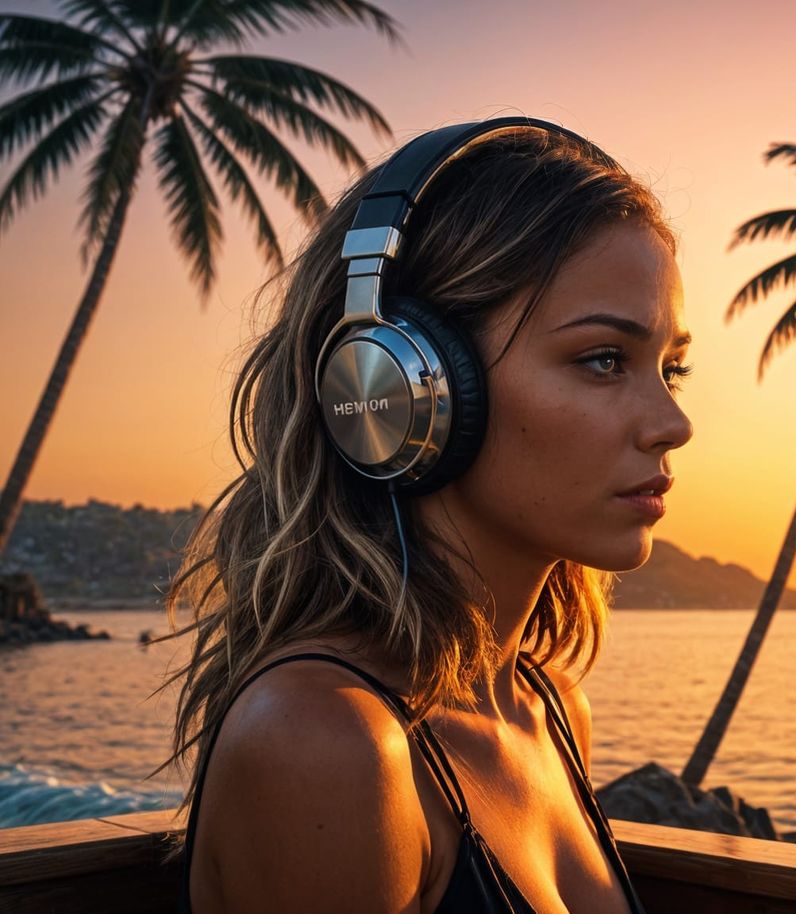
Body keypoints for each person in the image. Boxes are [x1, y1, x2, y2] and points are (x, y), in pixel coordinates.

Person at [149, 118, 692, 914]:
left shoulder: (549, 707)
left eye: (672, 367)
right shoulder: (325, 742)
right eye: (603, 360)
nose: (672, 422)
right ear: (397, 385)